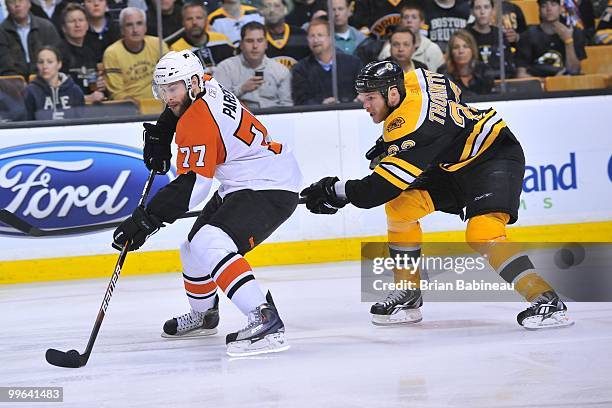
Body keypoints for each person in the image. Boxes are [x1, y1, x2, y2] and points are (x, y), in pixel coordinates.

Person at [300, 60, 573, 330]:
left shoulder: (411, 129)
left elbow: (377, 191)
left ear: (392, 94)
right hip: (454, 163)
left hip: (494, 155)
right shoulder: (417, 79)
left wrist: (334, 191)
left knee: (483, 233)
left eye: (370, 98)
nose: (365, 105)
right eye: (363, 98)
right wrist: (398, 145)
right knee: (401, 209)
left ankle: (547, 300)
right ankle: (408, 293)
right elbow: (452, 91)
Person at [111, 50, 302, 356]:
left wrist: (147, 220)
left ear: (193, 83)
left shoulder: (198, 119)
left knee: (210, 243)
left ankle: (265, 319)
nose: (167, 97)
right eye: (162, 89)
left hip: (268, 185)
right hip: (246, 179)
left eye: (172, 88)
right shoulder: (205, 85)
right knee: (192, 248)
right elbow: (179, 107)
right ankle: (205, 314)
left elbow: (194, 188)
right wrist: (162, 133)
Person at [213, 21, 292, 109]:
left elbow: (287, 105)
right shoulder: (225, 68)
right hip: (240, 119)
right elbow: (217, 102)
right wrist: (241, 89)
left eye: (260, 41)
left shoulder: (280, 70)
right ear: (241, 45)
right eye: (249, 41)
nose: (255, 46)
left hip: (274, 119)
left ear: (266, 44)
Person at [291, 18, 362, 105]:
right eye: (312, 36)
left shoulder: (353, 63)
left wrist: (361, 98)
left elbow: (366, 91)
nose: (315, 40)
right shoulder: (300, 69)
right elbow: (300, 101)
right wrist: (321, 103)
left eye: (320, 35)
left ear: (331, 38)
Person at [103, 7, 169, 100]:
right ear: (122, 30)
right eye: (129, 25)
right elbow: (117, 93)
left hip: (163, 102)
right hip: (131, 108)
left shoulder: (158, 44)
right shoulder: (112, 53)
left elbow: (171, 78)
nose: (135, 29)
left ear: (145, 27)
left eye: (139, 23)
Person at [516, 0, 586, 77]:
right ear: (539, 11)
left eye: (553, 4)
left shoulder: (575, 32)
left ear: (561, 9)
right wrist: (547, 82)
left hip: (567, 83)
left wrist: (568, 41)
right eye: (544, 6)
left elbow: (574, 70)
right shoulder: (528, 34)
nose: (549, 9)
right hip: (538, 84)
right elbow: (521, 74)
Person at [169, 2, 235, 74]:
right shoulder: (176, 50)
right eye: (189, 19)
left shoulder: (222, 40)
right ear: (183, 22)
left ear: (206, 20)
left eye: (199, 18)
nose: (194, 22)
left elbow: (236, 66)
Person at [59, 3, 106, 103]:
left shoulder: (93, 49)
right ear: (64, 28)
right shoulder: (58, 53)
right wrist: (86, 99)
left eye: (81, 20)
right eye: (72, 21)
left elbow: (95, 80)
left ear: (87, 25)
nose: (77, 25)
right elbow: (59, 92)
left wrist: (101, 84)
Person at [0, 0, 61, 77]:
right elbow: (5, 66)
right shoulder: (2, 32)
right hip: (14, 83)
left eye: (21, 0)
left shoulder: (46, 27)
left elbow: (56, 58)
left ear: (29, 3)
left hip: (45, 80)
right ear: (6, 7)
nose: (17, 4)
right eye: (12, 2)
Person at [24, 46, 84, 120]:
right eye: (41, 62)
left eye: (50, 62)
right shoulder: (30, 91)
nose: (45, 66)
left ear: (59, 64)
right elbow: (27, 122)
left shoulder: (75, 91)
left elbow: (81, 122)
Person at [467, 0, 516, 79]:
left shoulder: (500, 34)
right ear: (472, 11)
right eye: (477, 8)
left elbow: (510, 66)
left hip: (501, 82)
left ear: (493, 10)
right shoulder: (465, 35)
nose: (482, 12)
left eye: (486, 7)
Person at [439, 30, 493, 95]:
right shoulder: (442, 73)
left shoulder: (483, 70)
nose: (461, 51)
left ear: (472, 50)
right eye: (456, 47)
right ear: (451, 52)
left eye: (465, 46)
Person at [259, 0, 309, 69]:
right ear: (261, 10)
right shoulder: (255, 38)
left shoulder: (301, 35)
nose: (272, 10)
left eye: (277, 6)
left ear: (286, 9)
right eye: (267, 6)